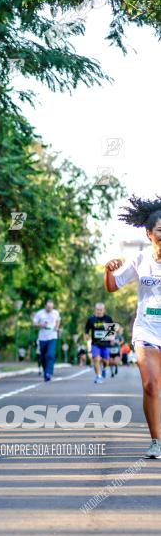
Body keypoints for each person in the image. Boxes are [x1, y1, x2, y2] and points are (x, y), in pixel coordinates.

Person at [104, 194, 161, 458]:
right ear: (149, 233)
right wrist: (108, 269)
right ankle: (156, 442)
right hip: (146, 330)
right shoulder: (140, 260)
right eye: (160, 229)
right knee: (150, 385)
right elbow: (113, 285)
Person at [85, 302, 116, 383]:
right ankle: (98, 376)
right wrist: (86, 335)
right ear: (95, 310)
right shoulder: (91, 319)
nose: (99, 311)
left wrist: (112, 339)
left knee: (106, 361)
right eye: (97, 310)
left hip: (106, 344)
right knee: (96, 359)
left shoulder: (108, 319)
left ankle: (105, 368)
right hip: (95, 343)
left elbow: (111, 332)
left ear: (104, 310)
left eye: (101, 310)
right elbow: (87, 330)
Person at [32, 298, 60, 381]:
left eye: (51, 307)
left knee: (50, 355)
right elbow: (33, 323)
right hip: (42, 338)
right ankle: (46, 371)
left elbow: (58, 320)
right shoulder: (40, 313)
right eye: (48, 307)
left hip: (52, 337)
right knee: (43, 356)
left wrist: (56, 327)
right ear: (45, 306)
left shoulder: (55, 312)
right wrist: (40, 325)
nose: (50, 309)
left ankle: (48, 373)